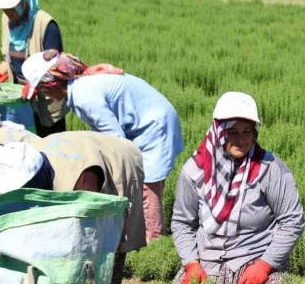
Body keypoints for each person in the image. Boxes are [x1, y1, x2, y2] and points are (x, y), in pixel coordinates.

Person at [0, 104, 146, 284]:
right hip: (72, 151)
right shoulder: (20, 158)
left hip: (115, 156)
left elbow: (106, 220)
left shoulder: (80, 183)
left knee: (106, 242)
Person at [22, 50, 184, 244]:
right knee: (137, 183)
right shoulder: (79, 88)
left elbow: (116, 140)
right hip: (144, 123)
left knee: (147, 186)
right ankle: (137, 233)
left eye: (43, 91)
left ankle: (154, 241)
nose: (46, 96)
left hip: (154, 126)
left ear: (52, 85)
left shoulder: (84, 95)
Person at [169, 92, 305, 284]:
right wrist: (191, 264)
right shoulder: (195, 170)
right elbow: (182, 222)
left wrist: (265, 266)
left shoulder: (271, 169)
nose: (240, 139)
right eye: (232, 131)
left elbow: (292, 221)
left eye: (247, 131)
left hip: (254, 261)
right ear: (218, 131)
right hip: (206, 264)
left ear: (255, 134)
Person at [0, 0, 67, 137]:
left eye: (12, 8)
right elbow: (10, 56)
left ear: (24, 0)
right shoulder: (7, 20)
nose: (8, 12)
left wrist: (33, 86)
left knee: (50, 144)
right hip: (21, 99)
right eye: (5, 9)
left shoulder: (45, 24)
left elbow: (55, 67)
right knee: (24, 142)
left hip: (47, 100)